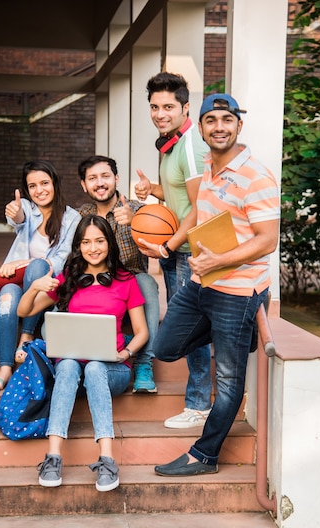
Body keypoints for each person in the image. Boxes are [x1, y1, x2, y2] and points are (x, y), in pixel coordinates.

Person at [153, 93, 281, 477]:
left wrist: (219, 261)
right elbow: (202, 215)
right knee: (165, 347)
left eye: (227, 119)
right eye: (212, 120)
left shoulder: (256, 176)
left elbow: (267, 239)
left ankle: (204, 455)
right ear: (203, 127)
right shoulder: (209, 166)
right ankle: (237, 339)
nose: (219, 127)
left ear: (239, 125)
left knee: (227, 383)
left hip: (239, 290)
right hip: (201, 282)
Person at [17, 214, 149, 490]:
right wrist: (33, 288)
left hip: (112, 369)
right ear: (78, 246)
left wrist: (124, 355)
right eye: (86, 242)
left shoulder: (126, 280)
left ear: (109, 243)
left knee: (95, 367)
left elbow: (142, 333)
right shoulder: (70, 278)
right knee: (66, 365)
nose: (93, 248)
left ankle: (107, 459)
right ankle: (53, 456)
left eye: (99, 241)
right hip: (73, 370)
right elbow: (24, 311)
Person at [134, 72, 212, 428]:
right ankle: (199, 401)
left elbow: (199, 207)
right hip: (176, 249)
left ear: (185, 107)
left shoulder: (192, 145)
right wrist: (153, 188)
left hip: (188, 250)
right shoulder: (170, 143)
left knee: (191, 327)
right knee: (188, 323)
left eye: (168, 106)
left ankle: (199, 406)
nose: (160, 113)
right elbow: (178, 193)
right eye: (154, 106)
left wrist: (167, 246)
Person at [0, 160, 81, 392]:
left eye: (45, 183)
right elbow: (18, 219)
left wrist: (24, 263)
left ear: (55, 184)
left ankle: (26, 335)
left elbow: (59, 261)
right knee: (7, 294)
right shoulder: (27, 208)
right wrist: (15, 213)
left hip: (46, 284)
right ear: (27, 190)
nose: (40, 190)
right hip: (17, 280)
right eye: (33, 186)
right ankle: (5, 367)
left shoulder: (72, 218)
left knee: (37, 266)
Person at [77, 155, 159, 393]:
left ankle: (143, 363)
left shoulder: (138, 210)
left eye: (105, 176)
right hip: (93, 288)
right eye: (92, 178)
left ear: (117, 179)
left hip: (130, 286)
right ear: (84, 185)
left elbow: (162, 249)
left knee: (146, 282)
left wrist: (136, 223)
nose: (100, 183)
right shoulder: (80, 215)